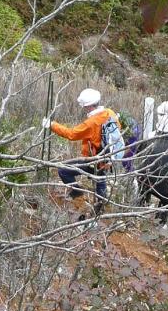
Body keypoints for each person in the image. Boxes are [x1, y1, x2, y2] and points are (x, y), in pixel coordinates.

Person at [42, 88, 121, 217]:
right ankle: (98, 212)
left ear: (88, 106)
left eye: (84, 106)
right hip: (108, 159)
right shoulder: (110, 113)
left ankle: (79, 198)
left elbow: (71, 134)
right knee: (100, 182)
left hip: (93, 160)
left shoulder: (91, 123)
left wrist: (52, 125)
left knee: (63, 171)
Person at [136, 115, 168, 227]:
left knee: (144, 189)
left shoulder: (149, 141)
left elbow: (138, 151)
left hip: (143, 175)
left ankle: (140, 209)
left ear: (158, 129)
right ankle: (159, 223)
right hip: (161, 181)